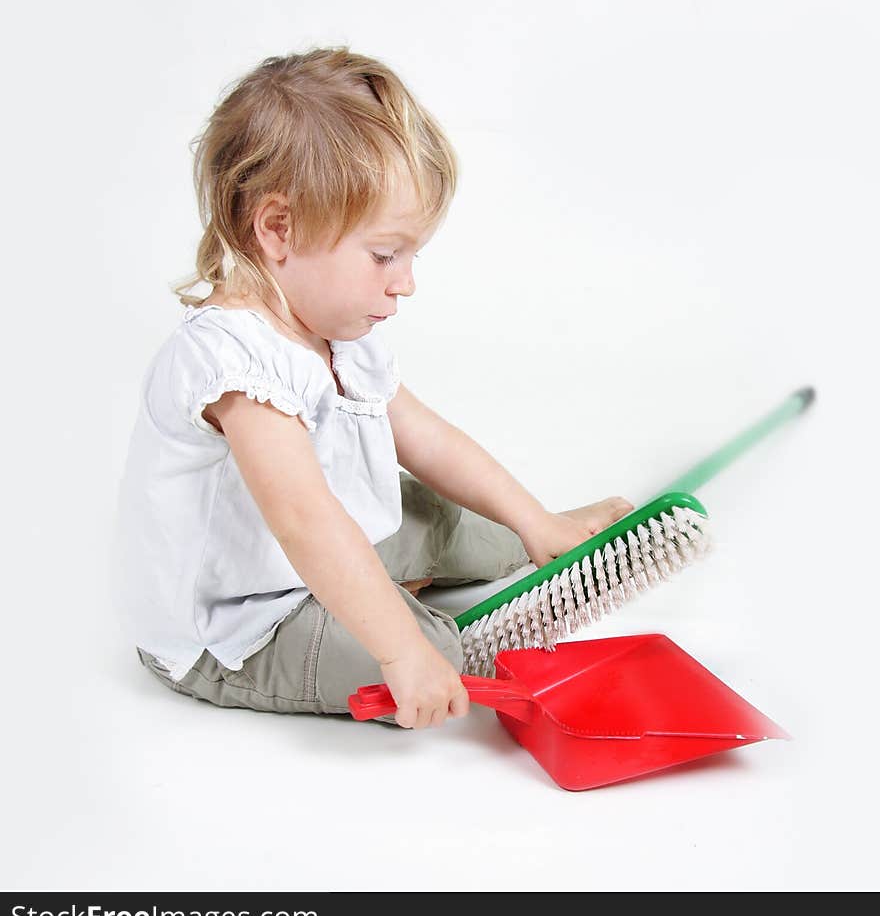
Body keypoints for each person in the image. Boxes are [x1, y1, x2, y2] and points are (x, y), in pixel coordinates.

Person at [112, 47, 633, 731]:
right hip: (240, 621)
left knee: (445, 517)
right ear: (279, 229)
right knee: (437, 650)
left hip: (318, 547)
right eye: (385, 255)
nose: (405, 281)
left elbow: (428, 438)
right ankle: (395, 615)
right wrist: (402, 650)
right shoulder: (230, 361)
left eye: (411, 256)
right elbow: (305, 521)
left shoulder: (336, 325)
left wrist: (532, 518)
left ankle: (539, 538)